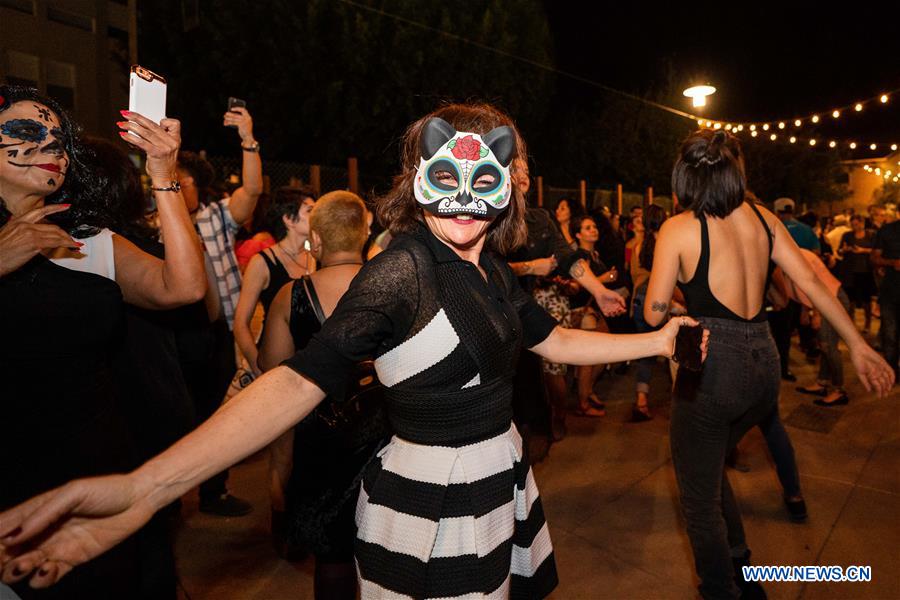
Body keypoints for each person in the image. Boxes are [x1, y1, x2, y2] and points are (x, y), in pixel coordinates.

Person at [0, 102, 707, 599]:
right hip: (431, 504)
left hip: (499, 478)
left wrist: (657, 338)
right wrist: (146, 488)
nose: (465, 197)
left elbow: (552, 337)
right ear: (417, 177)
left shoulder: (491, 269)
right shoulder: (402, 271)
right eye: (445, 174)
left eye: (488, 173)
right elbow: (297, 382)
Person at [644, 129, 893, 599]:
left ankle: (722, 590)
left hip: (715, 369)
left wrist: (675, 304)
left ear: (684, 176)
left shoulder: (678, 228)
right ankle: (743, 569)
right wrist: (858, 344)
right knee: (707, 468)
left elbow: (653, 312)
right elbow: (812, 285)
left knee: (698, 502)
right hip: (763, 363)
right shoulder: (765, 219)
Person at [0, 85, 204, 599]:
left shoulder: (87, 240)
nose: (51, 146)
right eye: (26, 132)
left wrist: (162, 173)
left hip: (94, 458)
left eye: (60, 140)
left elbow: (183, 287)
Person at [258, 190, 379, 599]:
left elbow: (273, 370)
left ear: (317, 239)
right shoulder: (392, 288)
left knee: (333, 554)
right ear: (365, 233)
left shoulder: (291, 296)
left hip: (321, 436)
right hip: (387, 432)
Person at [175, 105, 263, 517]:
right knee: (177, 410)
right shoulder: (154, 226)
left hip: (217, 331)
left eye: (183, 181)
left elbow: (252, 191)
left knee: (216, 412)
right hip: (176, 333)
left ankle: (214, 492)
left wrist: (248, 139)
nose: (178, 187)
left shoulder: (215, 217)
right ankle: (166, 498)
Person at [234, 185, 317, 377]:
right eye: (310, 210)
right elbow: (240, 324)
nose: (317, 215)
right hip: (275, 362)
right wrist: (258, 366)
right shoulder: (262, 262)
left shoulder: (316, 257)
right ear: (288, 219)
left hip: (311, 363)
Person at [568, 214, 617, 416]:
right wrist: (604, 278)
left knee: (606, 352)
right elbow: (576, 285)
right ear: (578, 234)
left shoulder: (594, 254)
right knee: (588, 358)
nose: (593, 230)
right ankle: (583, 403)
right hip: (582, 310)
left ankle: (587, 391)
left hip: (595, 310)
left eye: (594, 226)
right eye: (587, 228)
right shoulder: (581, 256)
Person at [629, 204, 669, 422]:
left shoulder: (639, 246)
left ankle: (641, 399)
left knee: (646, 352)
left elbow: (634, 276)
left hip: (639, 300)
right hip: (661, 300)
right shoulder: (667, 243)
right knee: (676, 350)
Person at [872, 218, 900, 379]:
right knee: (890, 335)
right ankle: (892, 372)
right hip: (890, 291)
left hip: (889, 290)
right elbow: (874, 258)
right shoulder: (887, 230)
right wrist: (892, 262)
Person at [839, 214, 876, 332]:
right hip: (850, 271)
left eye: (857, 224)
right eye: (853, 225)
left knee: (866, 299)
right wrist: (844, 250)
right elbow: (840, 251)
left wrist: (863, 250)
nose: (855, 227)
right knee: (851, 299)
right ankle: (851, 323)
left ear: (862, 223)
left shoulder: (871, 235)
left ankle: (867, 324)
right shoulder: (847, 235)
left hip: (866, 271)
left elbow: (876, 250)